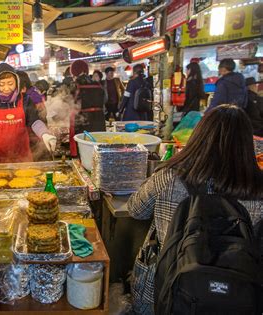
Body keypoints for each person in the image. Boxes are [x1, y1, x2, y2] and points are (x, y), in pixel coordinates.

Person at [127, 105, 263, 314]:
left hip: (162, 293)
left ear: (199, 136)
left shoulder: (170, 176)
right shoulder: (258, 190)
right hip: (234, 300)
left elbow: (136, 210)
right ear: (247, 144)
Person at [0, 63, 56, 164]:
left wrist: (45, 134)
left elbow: (35, 122)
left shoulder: (26, 100)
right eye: (2, 84)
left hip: (22, 159)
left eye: (10, 83)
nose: (6, 88)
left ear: (16, 82)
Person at [69, 60, 107, 157]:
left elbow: (69, 103)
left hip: (83, 122)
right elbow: (105, 100)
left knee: (83, 149)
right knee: (98, 148)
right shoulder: (98, 84)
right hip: (99, 120)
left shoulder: (75, 84)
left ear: (74, 71)